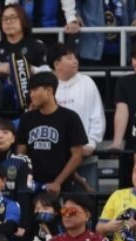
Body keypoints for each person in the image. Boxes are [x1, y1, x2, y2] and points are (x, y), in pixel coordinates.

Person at [15, 72, 89, 194]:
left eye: (34, 90)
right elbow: (21, 154)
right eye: (30, 91)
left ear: (49, 90)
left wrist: (57, 182)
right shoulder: (26, 119)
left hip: (62, 187)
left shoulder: (70, 118)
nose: (31, 95)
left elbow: (77, 155)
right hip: (32, 185)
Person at [51, 43, 104, 191]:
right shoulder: (48, 84)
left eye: (75, 57)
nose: (75, 61)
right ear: (57, 64)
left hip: (84, 155)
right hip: (55, 157)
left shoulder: (87, 82)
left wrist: (92, 142)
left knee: (86, 202)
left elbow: (97, 115)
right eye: (69, 58)